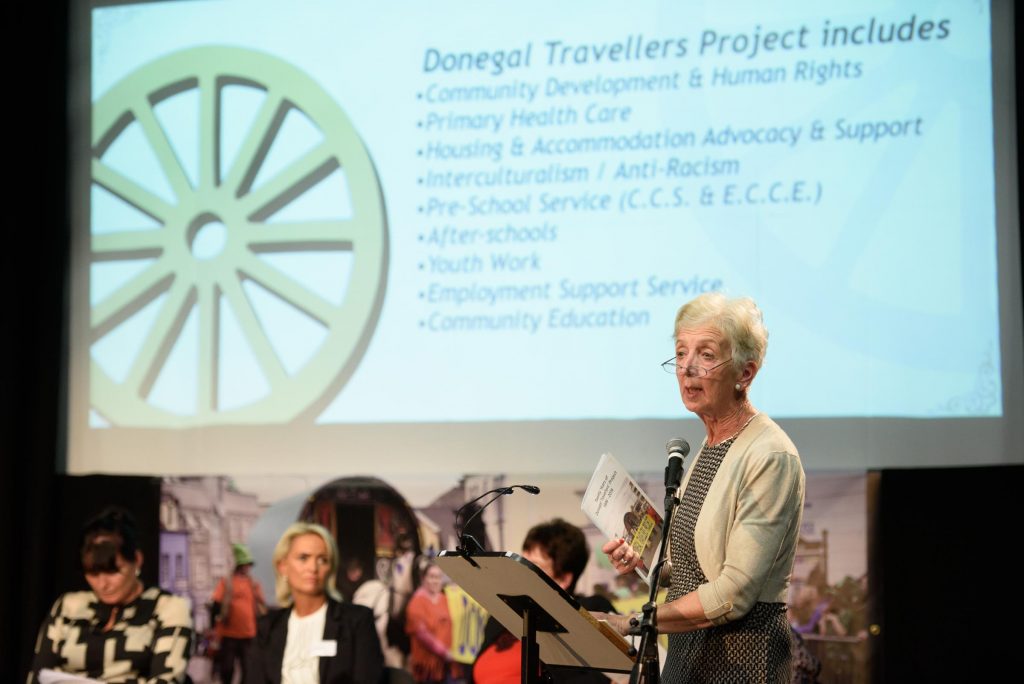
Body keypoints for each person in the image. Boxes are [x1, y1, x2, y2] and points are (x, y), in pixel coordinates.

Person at [601, 293, 806, 682]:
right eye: (681, 353)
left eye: (707, 354)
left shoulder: (769, 454)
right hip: (690, 657)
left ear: (746, 373)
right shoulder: (707, 448)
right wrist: (645, 559)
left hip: (741, 660)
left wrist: (632, 621)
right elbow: (696, 570)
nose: (688, 368)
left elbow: (732, 593)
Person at [29, 506, 193, 683]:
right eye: (93, 573)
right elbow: (38, 675)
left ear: (137, 560)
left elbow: (166, 679)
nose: (103, 584)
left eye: (113, 572)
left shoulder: (167, 608)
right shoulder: (69, 606)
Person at [472, 518, 614, 684]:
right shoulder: (500, 617)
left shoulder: (591, 610)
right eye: (520, 561)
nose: (519, 571)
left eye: (533, 565)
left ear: (563, 579)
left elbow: (617, 674)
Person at [246, 522, 384, 684]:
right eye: (303, 558)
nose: (313, 567)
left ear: (330, 568)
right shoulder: (267, 627)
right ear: (283, 566)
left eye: (322, 560)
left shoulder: (357, 620)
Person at [211, 542, 267, 684]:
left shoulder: (253, 583)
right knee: (227, 669)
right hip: (229, 634)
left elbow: (262, 602)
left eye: (249, 564)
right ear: (240, 565)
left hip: (248, 634)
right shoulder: (227, 582)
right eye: (245, 564)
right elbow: (216, 603)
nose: (248, 567)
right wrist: (214, 626)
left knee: (248, 669)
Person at [404, 560, 457, 684]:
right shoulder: (416, 603)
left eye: (438, 577)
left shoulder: (445, 599)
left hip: (448, 665)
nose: (435, 581)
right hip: (428, 669)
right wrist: (445, 652)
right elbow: (422, 634)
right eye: (432, 577)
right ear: (423, 578)